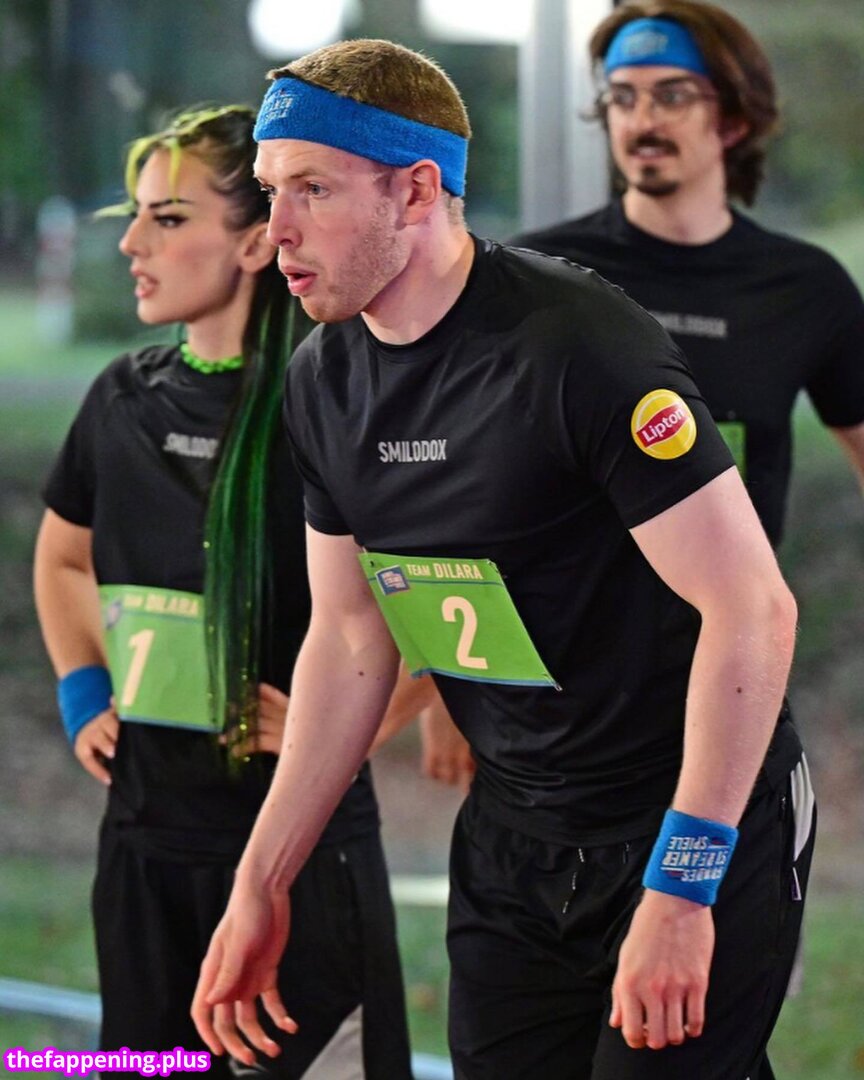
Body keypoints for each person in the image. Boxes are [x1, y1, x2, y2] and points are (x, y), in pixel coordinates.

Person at [190, 41, 812, 1080]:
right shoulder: (322, 380)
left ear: (415, 190)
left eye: (312, 189)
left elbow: (753, 610)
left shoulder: (577, 346)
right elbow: (350, 636)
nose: (274, 230)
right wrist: (263, 880)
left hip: (689, 817)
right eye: (268, 191)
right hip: (514, 837)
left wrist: (683, 885)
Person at [32, 105, 413, 1080]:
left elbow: (434, 595)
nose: (131, 242)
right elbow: (64, 558)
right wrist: (82, 689)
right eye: (135, 215)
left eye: (166, 218)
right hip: (145, 850)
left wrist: (357, 727)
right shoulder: (122, 397)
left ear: (254, 241)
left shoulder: (335, 405)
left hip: (300, 858)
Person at [510, 0, 864, 551]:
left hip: (739, 607)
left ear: (733, 121)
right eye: (623, 98)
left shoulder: (805, 286)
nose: (642, 122)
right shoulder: (536, 273)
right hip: (564, 608)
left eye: (672, 97)